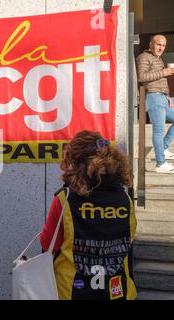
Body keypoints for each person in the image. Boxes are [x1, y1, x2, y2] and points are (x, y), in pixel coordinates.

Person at [40, 130, 137, 300]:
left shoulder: (65, 198)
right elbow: (129, 242)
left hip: (71, 291)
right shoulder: (125, 199)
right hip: (118, 292)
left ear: (77, 164)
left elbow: (47, 246)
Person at [136, 34, 174, 173]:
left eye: (163, 45)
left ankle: (163, 147)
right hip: (153, 97)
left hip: (163, 97)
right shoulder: (144, 57)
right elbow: (142, 77)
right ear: (151, 44)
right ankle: (160, 163)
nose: (161, 48)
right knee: (158, 130)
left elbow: (161, 81)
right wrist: (164, 72)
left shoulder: (158, 59)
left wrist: (168, 96)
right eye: (158, 44)